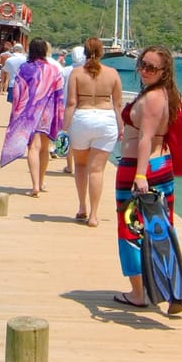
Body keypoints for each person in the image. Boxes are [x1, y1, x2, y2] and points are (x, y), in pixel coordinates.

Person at [113, 45, 180, 308]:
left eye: (151, 67)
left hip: (140, 168)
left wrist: (139, 175)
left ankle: (139, 293)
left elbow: (145, 137)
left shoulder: (153, 98)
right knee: (161, 228)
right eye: (142, 64)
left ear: (164, 72)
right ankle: (170, 285)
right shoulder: (164, 94)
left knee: (130, 229)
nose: (144, 70)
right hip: (160, 165)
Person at [64, 37, 122, 227]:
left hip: (83, 117)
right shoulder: (112, 73)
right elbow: (118, 105)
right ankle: (94, 216)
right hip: (106, 120)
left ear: (85, 53)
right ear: (102, 52)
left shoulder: (76, 74)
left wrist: (64, 128)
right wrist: (121, 128)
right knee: (97, 170)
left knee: (81, 166)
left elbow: (71, 103)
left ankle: (82, 207)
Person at [0, 38, 65, 196]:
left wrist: (17, 112)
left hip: (30, 113)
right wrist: (59, 114)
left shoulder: (25, 68)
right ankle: (41, 183)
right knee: (44, 148)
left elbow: (17, 91)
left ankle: (35, 185)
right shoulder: (53, 70)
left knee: (33, 148)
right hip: (48, 113)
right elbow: (59, 93)